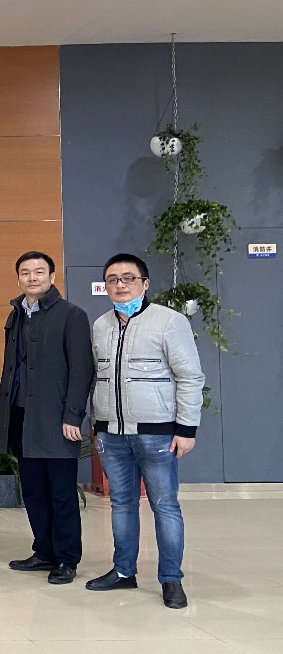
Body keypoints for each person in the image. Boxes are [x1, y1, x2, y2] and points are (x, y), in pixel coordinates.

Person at [87, 253, 204, 609]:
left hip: (157, 434)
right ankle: (124, 571)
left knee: (164, 505)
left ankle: (171, 579)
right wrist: (97, 423)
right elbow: (96, 377)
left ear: (145, 283)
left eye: (128, 278)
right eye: (112, 279)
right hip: (111, 434)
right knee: (121, 504)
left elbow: (190, 377)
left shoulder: (169, 322)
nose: (120, 285)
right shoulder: (101, 325)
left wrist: (186, 428)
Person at [0, 252, 94, 586]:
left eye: (39, 271)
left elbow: (82, 370)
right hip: (22, 416)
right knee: (34, 490)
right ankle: (44, 551)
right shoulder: (17, 315)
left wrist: (73, 415)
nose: (32, 277)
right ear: (18, 279)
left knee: (61, 493)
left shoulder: (72, 315)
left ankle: (66, 558)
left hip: (56, 418)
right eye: (25, 272)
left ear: (52, 277)